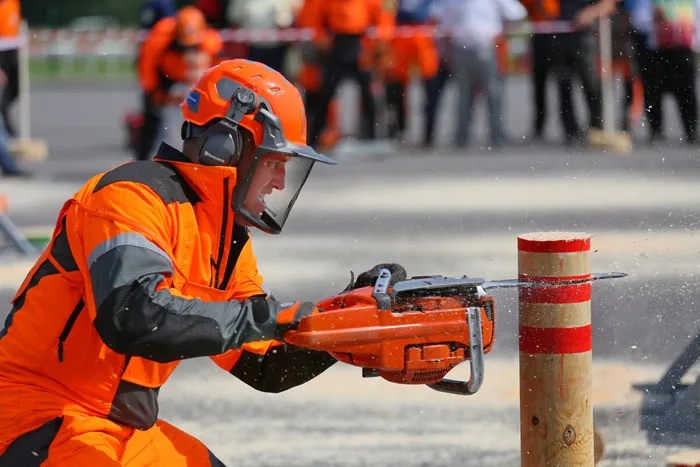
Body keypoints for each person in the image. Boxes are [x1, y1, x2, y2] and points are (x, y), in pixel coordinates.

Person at [0, 59, 381, 465]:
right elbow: (131, 314)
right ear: (226, 146)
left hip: (118, 430)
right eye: (275, 162)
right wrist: (267, 316)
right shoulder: (130, 197)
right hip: (34, 418)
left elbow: (267, 365)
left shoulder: (222, 238)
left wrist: (346, 322)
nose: (280, 183)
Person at [135, 6, 223, 161]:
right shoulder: (159, 37)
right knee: (151, 120)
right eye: (185, 46)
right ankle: (142, 159)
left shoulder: (211, 41)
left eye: (192, 47)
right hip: (166, 78)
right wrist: (153, 91)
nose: (188, 50)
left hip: (195, 81)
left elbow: (221, 69)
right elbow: (147, 66)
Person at [0, 0, 21, 137]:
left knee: (16, 88)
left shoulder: (14, 3)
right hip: (1, 51)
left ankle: (4, 107)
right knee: (4, 94)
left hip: (12, 49)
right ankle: (7, 127)